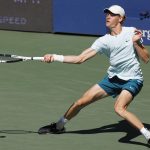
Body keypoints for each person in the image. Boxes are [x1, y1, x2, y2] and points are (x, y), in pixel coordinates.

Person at [38, 5, 150, 144]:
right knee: (80, 102)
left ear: (120, 18)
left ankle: (147, 135)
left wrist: (136, 43)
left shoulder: (131, 32)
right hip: (112, 79)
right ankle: (59, 126)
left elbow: (146, 59)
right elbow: (80, 58)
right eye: (107, 14)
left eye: (112, 14)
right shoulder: (103, 41)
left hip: (132, 79)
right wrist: (54, 57)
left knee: (119, 108)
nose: (108, 16)